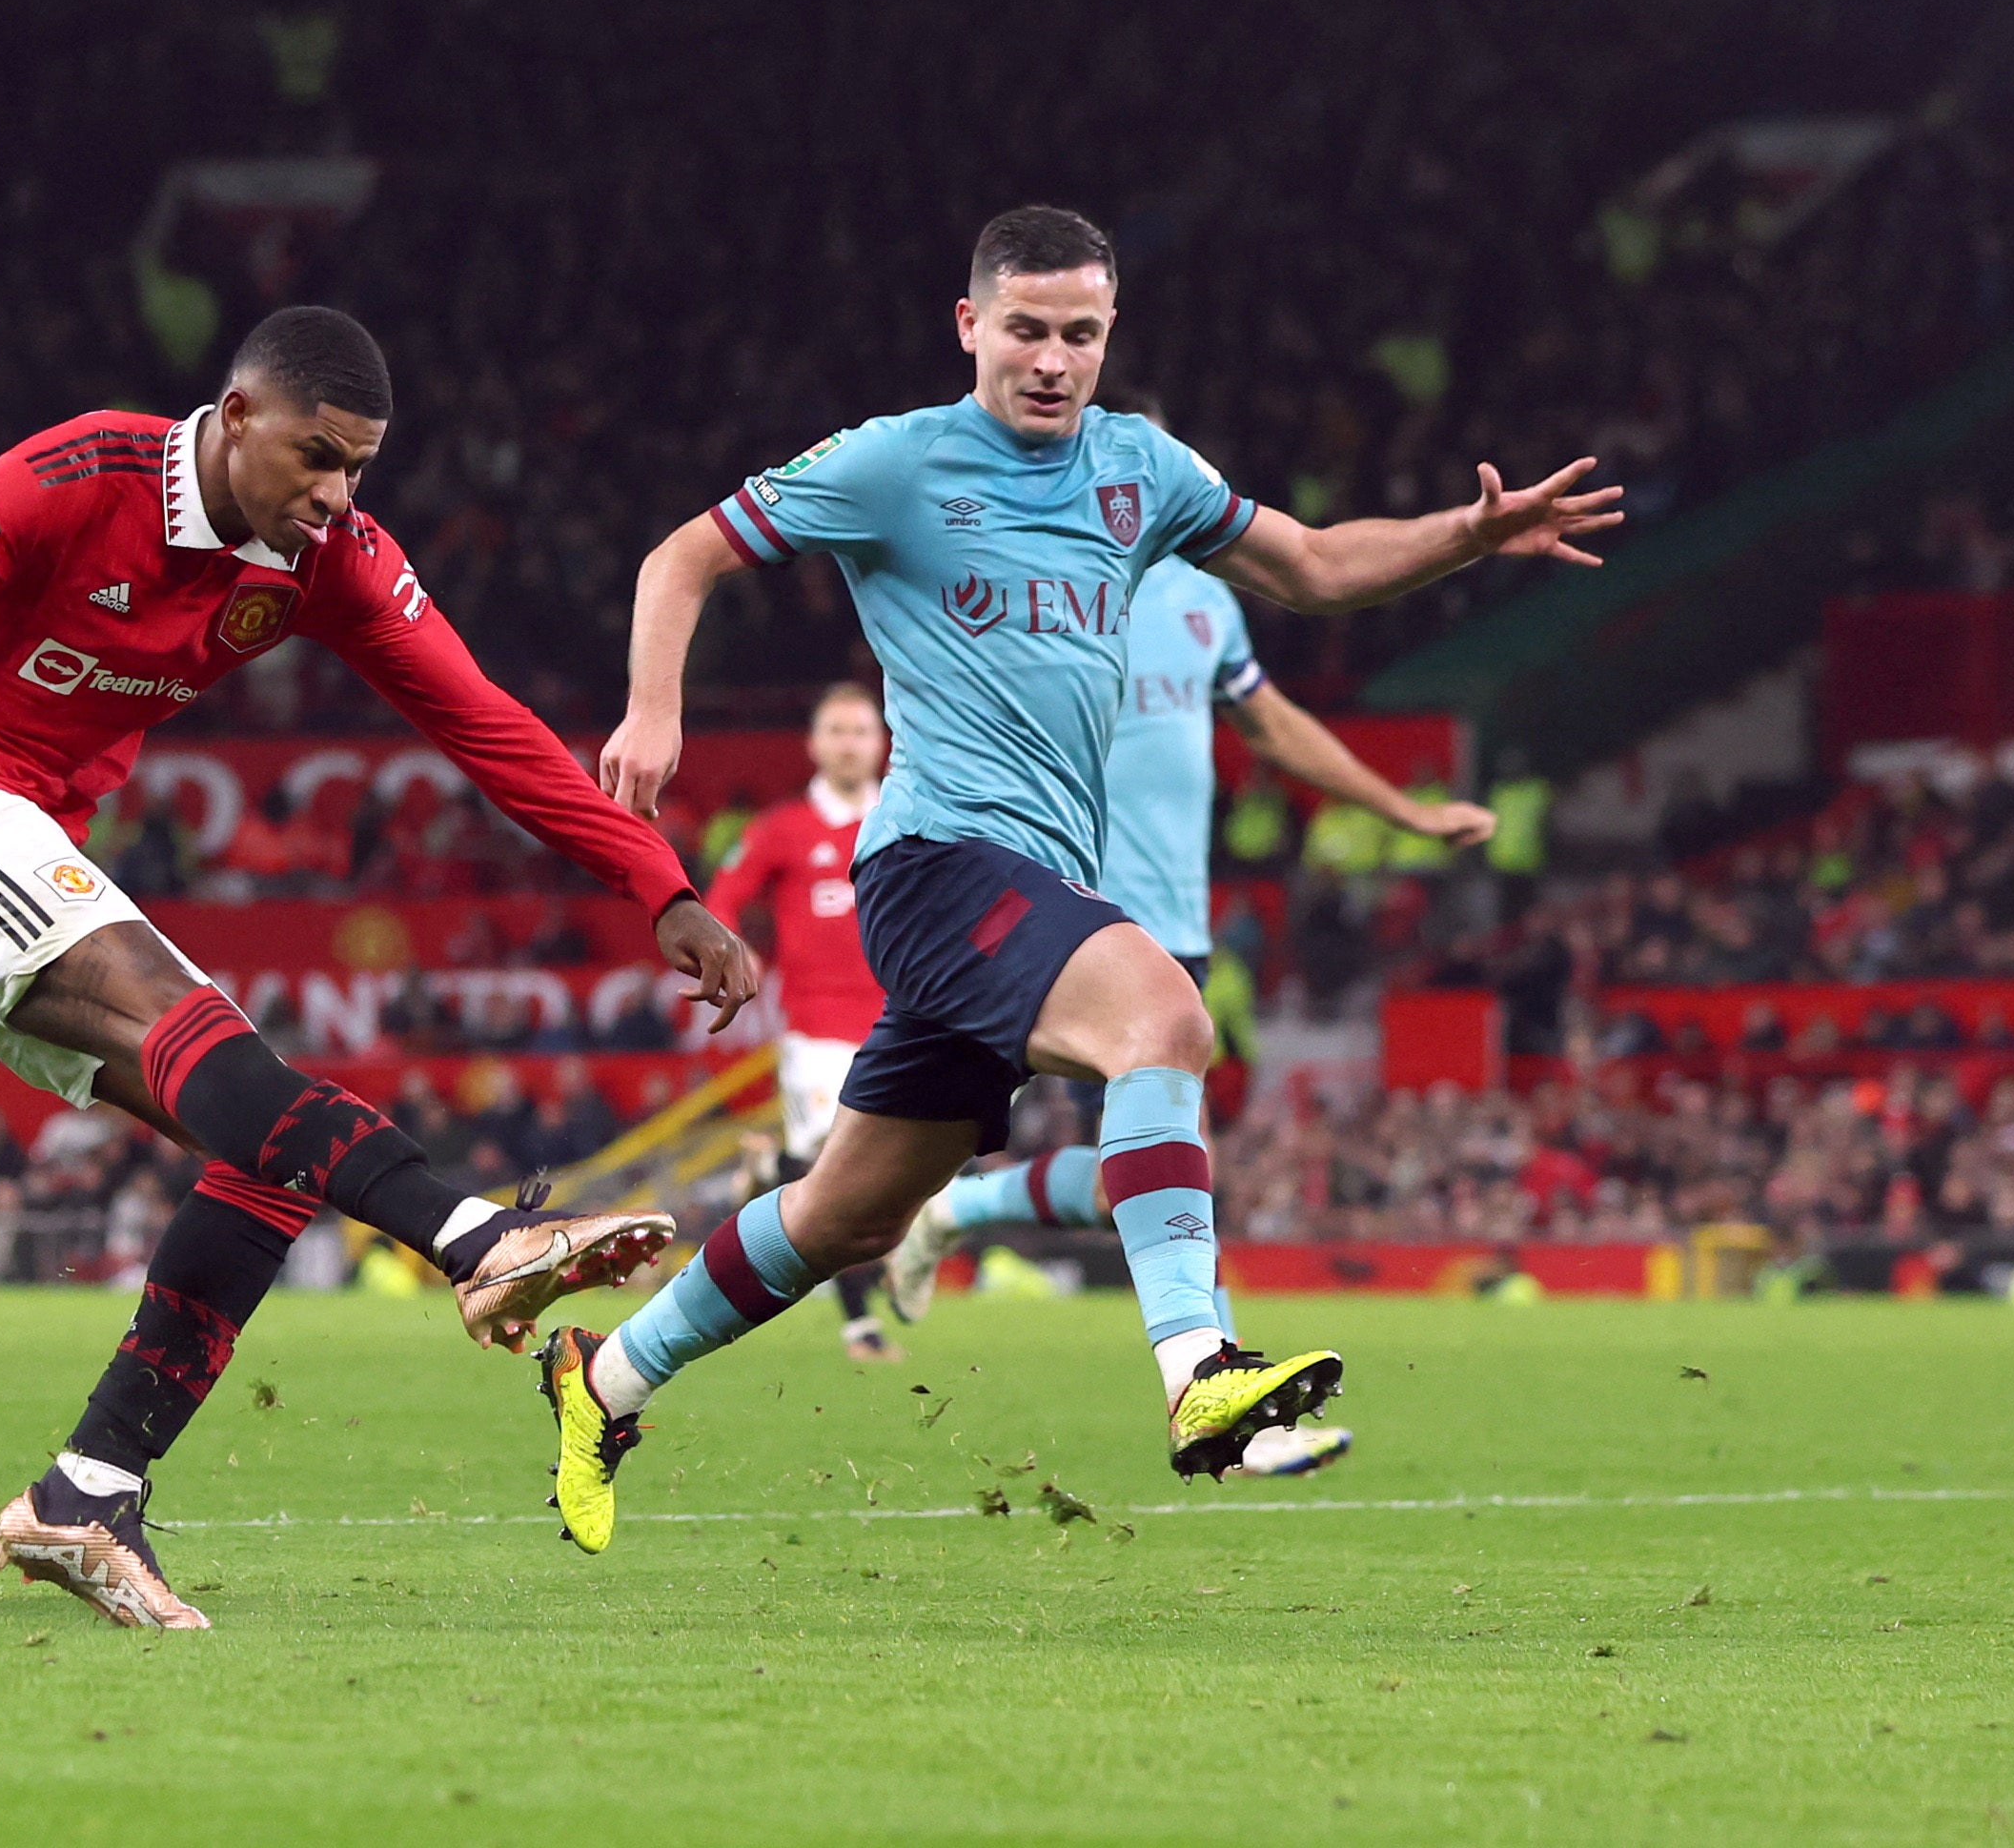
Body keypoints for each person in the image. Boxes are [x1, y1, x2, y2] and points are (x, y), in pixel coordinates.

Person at [548, 205, 1622, 1554]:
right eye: (1026, 332)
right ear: (968, 327)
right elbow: (682, 555)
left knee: (845, 1214)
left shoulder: (1138, 469)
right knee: (1162, 1017)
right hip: (937, 863)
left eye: (1080, 334)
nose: (1052, 361)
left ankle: (601, 1382)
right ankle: (1199, 1373)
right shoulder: (893, 464)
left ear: (1108, 335)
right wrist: (655, 712)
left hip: (1029, 879)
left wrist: (1463, 538)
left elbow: (1310, 564)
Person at [0, 306, 761, 1630]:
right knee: (226, 1056)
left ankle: (87, 1492)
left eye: (358, 466)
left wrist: (658, 886)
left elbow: (486, 726)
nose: (335, 494)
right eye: (315, 456)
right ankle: (481, 1239)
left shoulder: (334, 560)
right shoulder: (75, 476)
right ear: (236, 415)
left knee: (269, 1142)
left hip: (17, 833)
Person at [886, 448, 1499, 1340]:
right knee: (1181, 1163)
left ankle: (960, 1213)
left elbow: (1274, 723)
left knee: (1124, 1183)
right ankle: (1221, 1384)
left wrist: (1404, 809)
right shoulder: (1042, 586)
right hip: (1071, 910)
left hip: (1178, 922)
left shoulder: (1206, 600)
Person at [702, 680, 904, 1362]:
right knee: (834, 1169)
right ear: (814, 744)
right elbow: (721, 900)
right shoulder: (783, 829)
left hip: (905, 1026)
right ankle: (859, 1325)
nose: (849, 744)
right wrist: (736, 957)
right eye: (837, 731)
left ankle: (768, 1171)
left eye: (861, 731)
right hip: (816, 1031)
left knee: (894, 1173)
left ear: (883, 743)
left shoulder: (910, 821)